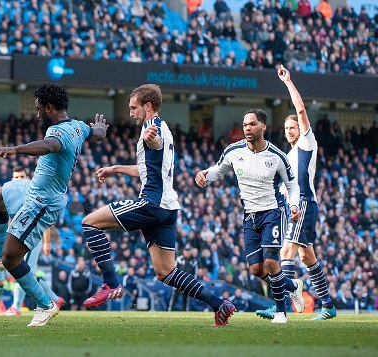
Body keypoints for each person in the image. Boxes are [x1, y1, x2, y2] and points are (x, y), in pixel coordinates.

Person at [82, 83, 235, 326]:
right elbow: (146, 169)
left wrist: (149, 139)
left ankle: (110, 283)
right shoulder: (160, 128)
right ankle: (220, 304)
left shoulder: (153, 129)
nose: (130, 113)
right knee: (167, 273)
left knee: (90, 223)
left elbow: (156, 143)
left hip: (151, 203)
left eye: (133, 108)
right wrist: (116, 169)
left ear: (148, 106)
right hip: (168, 208)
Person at [0, 83, 108, 326]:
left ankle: (45, 305)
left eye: (39, 109)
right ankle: (0, 253)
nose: (38, 113)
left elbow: (49, 145)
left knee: (13, 259)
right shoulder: (78, 127)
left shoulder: (59, 134)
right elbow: (97, 134)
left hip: (43, 201)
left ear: (50, 108)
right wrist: (100, 129)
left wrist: (14, 150)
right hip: (31, 188)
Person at [195, 108, 304, 324]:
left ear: (263, 126)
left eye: (252, 124)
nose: (247, 128)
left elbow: (292, 185)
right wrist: (206, 174)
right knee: (256, 269)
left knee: (272, 263)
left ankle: (281, 313)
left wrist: (293, 205)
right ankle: (292, 286)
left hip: (273, 212)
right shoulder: (233, 151)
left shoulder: (277, 156)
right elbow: (220, 169)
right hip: (249, 216)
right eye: (245, 125)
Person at [255, 65, 336, 321]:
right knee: (306, 254)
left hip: (303, 203)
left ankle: (282, 307)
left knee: (286, 252)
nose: (290, 131)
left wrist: (288, 83)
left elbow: (300, 110)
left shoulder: (306, 142)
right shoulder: (288, 155)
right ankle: (329, 305)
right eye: (287, 128)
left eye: (294, 127)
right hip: (295, 205)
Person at [0, 167, 65, 316]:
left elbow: (43, 218)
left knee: (19, 269)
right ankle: (55, 299)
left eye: (21, 176)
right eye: (16, 177)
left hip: (31, 238)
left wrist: (47, 242)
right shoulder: (10, 193)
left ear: (27, 177)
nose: (19, 179)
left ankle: (15, 307)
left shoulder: (33, 191)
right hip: (17, 237)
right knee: (29, 274)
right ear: (11, 179)